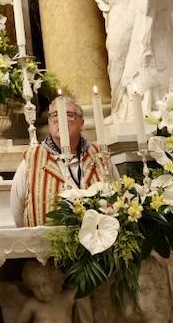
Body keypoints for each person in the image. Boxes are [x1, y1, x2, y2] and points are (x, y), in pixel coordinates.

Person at [9, 95, 116, 227]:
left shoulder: (100, 155)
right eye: (54, 115)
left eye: (69, 115)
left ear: (81, 123)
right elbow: (16, 210)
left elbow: (117, 197)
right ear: (49, 122)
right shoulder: (32, 159)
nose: (61, 120)